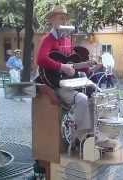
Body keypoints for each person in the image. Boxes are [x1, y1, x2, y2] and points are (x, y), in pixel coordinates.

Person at [35, 5, 93, 138]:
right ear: (52, 20)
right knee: (82, 99)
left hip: (68, 82)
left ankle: (91, 135)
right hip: (54, 84)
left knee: (94, 96)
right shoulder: (48, 39)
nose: (64, 22)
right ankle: (79, 138)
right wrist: (62, 67)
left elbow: (71, 62)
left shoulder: (66, 40)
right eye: (60, 18)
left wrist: (88, 67)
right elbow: (41, 59)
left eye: (65, 19)